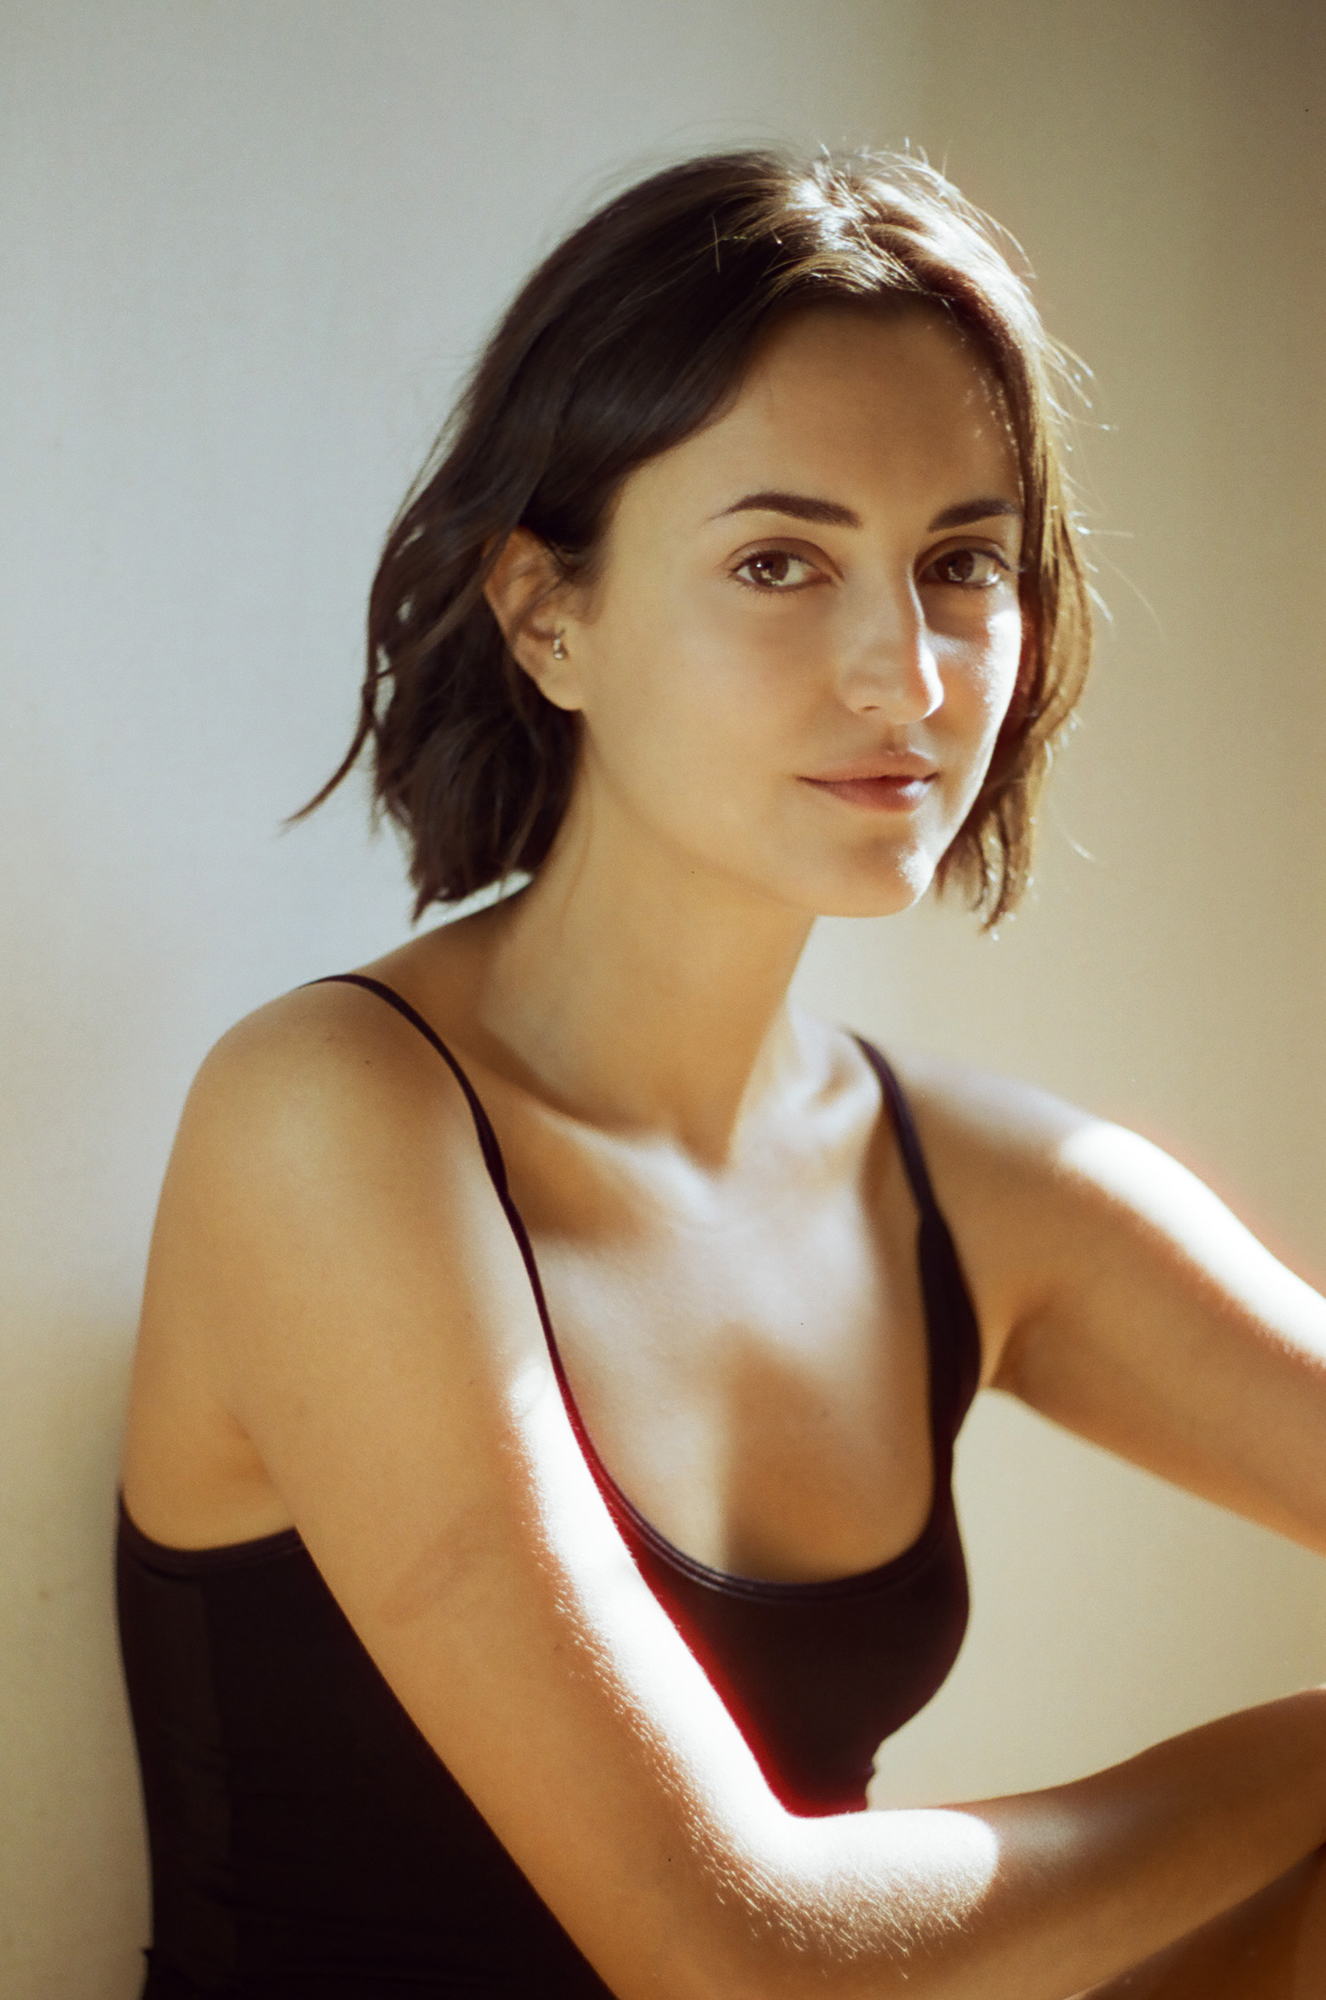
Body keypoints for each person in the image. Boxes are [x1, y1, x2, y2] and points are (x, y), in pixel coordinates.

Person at [117, 149, 1326, 1999]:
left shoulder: (984, 1195)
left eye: (960, 564)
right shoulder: (330, 1120)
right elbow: (729, 1954)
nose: (905, 675)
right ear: (548, 616)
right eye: (780, 561)